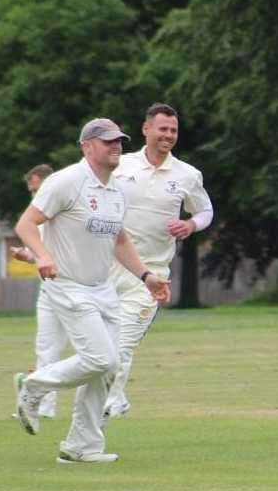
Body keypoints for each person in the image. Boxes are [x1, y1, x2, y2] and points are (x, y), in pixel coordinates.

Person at [12, 118, 171, 464]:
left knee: (108, 369)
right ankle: (34, 385)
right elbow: (25, 224)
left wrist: (146, 276)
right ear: (87, 146)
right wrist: (42, 256)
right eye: (107, 142)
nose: (116, 147)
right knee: (101, 359)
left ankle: (81, 446)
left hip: (104, 288)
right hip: (68, 285)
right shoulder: (66, 181)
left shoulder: (115, 190)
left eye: (118, 142)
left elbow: (120, 240)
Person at [103, 104, 213, 420]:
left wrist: (191, 225)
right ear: (146, 129)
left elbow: (206, 211)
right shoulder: (120, 165)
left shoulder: (187, 175)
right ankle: (116, 397)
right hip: (108, 267)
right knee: (102, 345)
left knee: (122, 342)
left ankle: (111, 401)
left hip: (152, 274)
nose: (168, 135)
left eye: (173, 131)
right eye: (162, 129)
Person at [11, 163, 66, 419]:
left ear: (39, 181)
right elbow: (44, 252)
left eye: (34, 189)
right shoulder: (40, 212)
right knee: (46, 348)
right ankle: (43, 407)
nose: (33, 195)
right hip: (49, 288)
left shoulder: (60, 204)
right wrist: (28, 255)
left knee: (95, 355)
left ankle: (109, 402)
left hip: (75, 288)